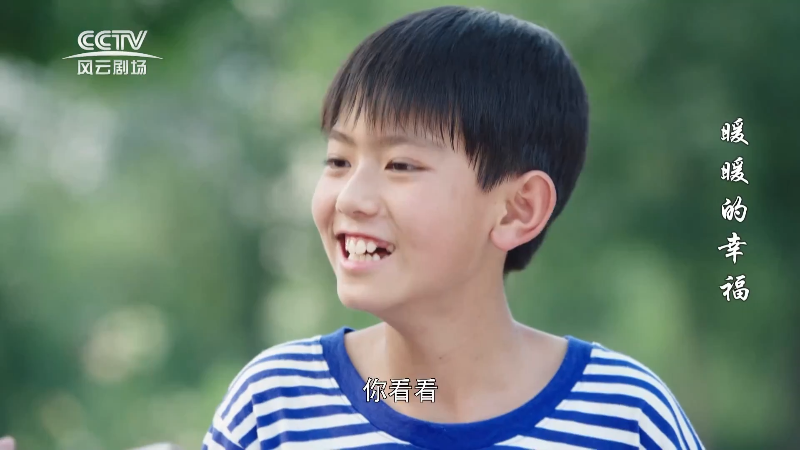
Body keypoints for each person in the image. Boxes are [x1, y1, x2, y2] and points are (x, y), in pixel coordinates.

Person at [203, 6, 704, 449]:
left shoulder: (626, 417)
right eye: (338, 160)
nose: (350, 198)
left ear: (518, 210)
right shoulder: (278, 407)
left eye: (400, 165)